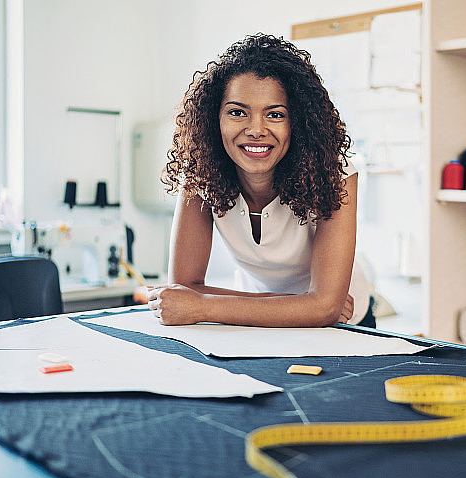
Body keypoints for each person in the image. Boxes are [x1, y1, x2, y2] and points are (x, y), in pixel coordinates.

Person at [147, 33, 374, 329]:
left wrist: (203, 305)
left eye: (275, 114)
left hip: (346, 324)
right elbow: (184, 289)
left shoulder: (335, 174)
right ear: (214, 119)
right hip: (253, 323)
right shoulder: (200, 174)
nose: (256, 129)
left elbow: (327, 310)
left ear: (299, 122)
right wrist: (304, 305)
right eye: (237, 112)